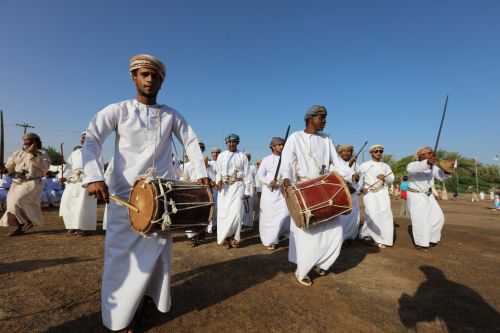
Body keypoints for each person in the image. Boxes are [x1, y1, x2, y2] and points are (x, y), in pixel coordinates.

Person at [81, 54, 208, 332]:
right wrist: (93, 176)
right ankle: (119, 317)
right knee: (120, 259)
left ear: (162, 80)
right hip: (124, 200)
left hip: (161, 201)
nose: (149, 79)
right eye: (143, 74)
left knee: (157, 258)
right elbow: (91, 139)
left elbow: (190, 140)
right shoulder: (118, 110)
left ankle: (144, 301)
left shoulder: (171, 115)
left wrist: (201, 174)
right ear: (133, 77)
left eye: (155, 75)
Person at [281, 105, 354, 286]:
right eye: (321, 117)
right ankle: (302, 271)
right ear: (310, 118)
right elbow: (287, 162)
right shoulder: (295, 138)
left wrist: (351, 175)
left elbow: (336, 162)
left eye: (325, 117)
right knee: (307, 235)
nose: (324, 121)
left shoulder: (326, 139)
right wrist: (285, 179)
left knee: (335, 232)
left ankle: (323, 263)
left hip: (325, 187)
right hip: (304, 189)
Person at [0, 133, 50, 236]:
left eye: (28, 140)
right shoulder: (17, 153)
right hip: (17, 183)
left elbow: (44, 168)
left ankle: (27, 221)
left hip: (32, 183)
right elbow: (9, 168)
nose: (25, 142)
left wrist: (33, 154)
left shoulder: (42, 153)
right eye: (24, 140)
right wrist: (4, 169)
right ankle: (20, 226)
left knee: (19, 200)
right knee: (11, 204)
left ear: (35, 142)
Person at [406, 146, 451, 249]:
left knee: (438, 218)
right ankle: (421, 243)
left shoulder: (433, 167)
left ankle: (432, 239)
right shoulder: (413, 165)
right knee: (420, 220)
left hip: (429, 195)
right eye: (428, 153)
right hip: (416, 195)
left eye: (432, 153)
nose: (431, 154)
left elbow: (441, 176)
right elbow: (414, 168)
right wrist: (428, 163)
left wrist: (447, 170)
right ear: (420, 156)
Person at [59, 132, 97, 236]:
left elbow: (98, 169)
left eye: (85, 138)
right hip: (73, 182)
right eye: (82, 137)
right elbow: (68, 167)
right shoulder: (75, 153)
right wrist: (63, 177)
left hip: (86, 182)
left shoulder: (96, 152)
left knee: (82, 206)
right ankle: (72, 226)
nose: (83, 139)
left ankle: (82, 228)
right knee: (68, 204)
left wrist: (92, 181)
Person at [215, 133, 250, 248]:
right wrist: (218, 180)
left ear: (237, 143)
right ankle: (225, 238)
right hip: (224, 189)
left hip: (238, 186)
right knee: (223, 214)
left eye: (233, 142)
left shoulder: (242, 156)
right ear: (226, 143)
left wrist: (247, 191)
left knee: (237, 214)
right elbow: (218, 171)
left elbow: (248, 175)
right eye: (229, 142)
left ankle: (236, 237)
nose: (231, 144)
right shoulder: (221, 156)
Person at [358, 144, 395, 248]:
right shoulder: (364, 165)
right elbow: (358, 179)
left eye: (380, 151)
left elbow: (391, 178)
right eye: (376, 151)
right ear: (371, 153)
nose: (378, 153)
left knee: (385, 213)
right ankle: (369, 236)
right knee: (372, 213)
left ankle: (384, 238)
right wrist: (361, 188)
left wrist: (385, 178)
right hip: (369, 192)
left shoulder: (386, 166)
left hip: (382, 191)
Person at [257, 137, 290, 250]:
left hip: (282, 193)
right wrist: (269, 182)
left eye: (282, 145)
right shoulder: (266, 160)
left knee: (284, 214)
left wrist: (284, 182)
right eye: (279, 145)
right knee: (269, 217)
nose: (281, 147)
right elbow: (260, 175)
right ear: (273, 147)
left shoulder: (286, 159)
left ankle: (280, 234)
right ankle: (270, 240)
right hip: (269, 193)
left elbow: (288, 174)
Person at [336, 144, 361, 243]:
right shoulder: (336, 164)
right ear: (339, 153)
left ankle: (351, 236)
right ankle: (341, 238)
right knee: (342, 216)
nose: (346, 153)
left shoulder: (357, 165)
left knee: (353, 215)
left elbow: (360, 179)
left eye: (348, 151)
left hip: (353, 194)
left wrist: (356, 187)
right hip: (341, 194)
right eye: (343, 151)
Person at [243, 152, 257, 230]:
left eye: (248, 157)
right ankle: (243, 223)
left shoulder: (252, 167)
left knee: (249, 207)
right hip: (242, 188)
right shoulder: (242, 167)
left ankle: (249, 224)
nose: (246, 158)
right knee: (243, 207)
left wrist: (254, 188)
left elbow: (256, 178)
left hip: (251, 188)